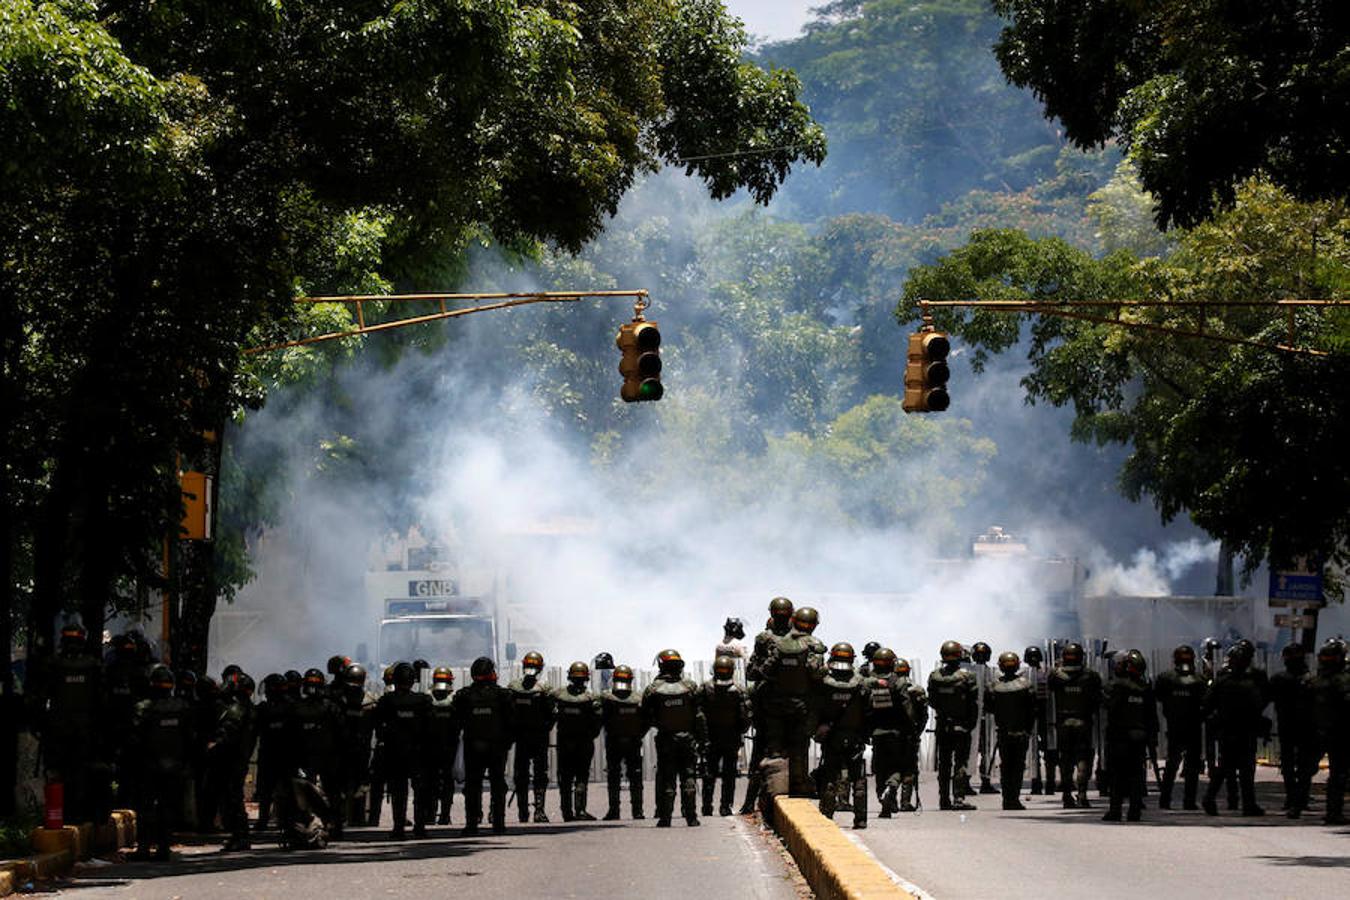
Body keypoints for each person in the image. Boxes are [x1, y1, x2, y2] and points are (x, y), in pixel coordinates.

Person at [37, 623, 104, 823]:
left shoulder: (54, 664)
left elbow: (41, 696)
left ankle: (62, 813)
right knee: (80, 771)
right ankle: (77, 813)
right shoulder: (92, 665)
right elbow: (101, 700)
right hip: (83, 730)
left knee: (59, 772)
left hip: (60, 729)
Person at [760, 606, 826, 797]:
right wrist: (825, 670)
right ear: (813, 625)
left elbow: (766, 670)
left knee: (776, 748)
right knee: (799, 746)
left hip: (776, 705)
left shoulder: (780, 643)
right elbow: (815, 672)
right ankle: (799, 786)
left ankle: (775, 788)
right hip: (802, 705)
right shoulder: (814, 644)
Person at [129, 665, 193, 860]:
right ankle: (164, 847)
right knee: (167, 807)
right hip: (174, 766)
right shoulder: (182, 707)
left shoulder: (144, 708)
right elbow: (189, 738)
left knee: (146, 807)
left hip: (148, 766)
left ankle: (144, 848)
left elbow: (134, 738)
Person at [740, 597, 795, 812]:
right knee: (794, 753)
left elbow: (752, 673)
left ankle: (750, 802)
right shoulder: (801, 639)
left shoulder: (764, 639)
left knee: (761, 756)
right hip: (792, 707)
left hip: (769, 708)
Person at [1202, 643, 1268, 817]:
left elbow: (1207, 705)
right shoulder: (1250, 684)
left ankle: (1212, 798)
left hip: (1230, 731)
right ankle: (1247, 804)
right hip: (1243, 731)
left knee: (1226, 767)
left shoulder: (1223, 681)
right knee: (1245, 769)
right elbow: (1259, 705)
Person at [643, 649, 705, 827]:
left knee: (667, 778)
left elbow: (645, 716)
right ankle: (691, 817)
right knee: (689, 775)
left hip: (666, 739)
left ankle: (665, 817)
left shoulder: (653, 690)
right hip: (688, 739)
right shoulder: (690, 687)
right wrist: (703, 741)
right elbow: (699, 717)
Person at [453, 656, 514, 836]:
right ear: (492, 674)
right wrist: (506, 743)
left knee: (473, 786)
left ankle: (472, 824)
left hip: (474, 747)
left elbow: (456, 722)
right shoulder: (503, 696)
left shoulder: (463, 696)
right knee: (497, 785)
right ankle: (499, 823)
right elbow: (511, 723)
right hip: (496, 747)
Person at [813, 643, 869, 828]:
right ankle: (860, 819)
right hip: (855, 737)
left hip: (832, 737)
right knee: (858, 779)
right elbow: (869, 712)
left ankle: (826, 817)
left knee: (830, 777)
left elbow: (815, 709)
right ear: (851, 659)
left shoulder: (823, 682)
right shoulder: (861, 682)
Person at [865, 648, 926, 816]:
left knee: (879, 767)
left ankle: (881, 794)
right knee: (896, 766)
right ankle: (891, 787)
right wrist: (913, 730)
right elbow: (908, 709)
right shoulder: (898, 682)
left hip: (876, 733)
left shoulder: (868, 682)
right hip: (897, 734)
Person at [375, 661, 432, 839]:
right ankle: (420, 827)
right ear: (413, 680)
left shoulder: (386, 701)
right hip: (418, 753)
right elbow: (431, 728)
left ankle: (398, 828)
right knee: (420, 791)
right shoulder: (423, 700)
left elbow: (378, 726)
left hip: (395, 752)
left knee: (399, 792)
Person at [1101, 650, 1156, 822]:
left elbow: (1111, 706)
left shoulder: (1118, 687)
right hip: (1139, 737)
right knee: (1136, 776)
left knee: (1117, 776)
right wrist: (1152, 738)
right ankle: (1134, 811)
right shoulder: (1145, 688)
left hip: (1120, 737)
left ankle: (1115, 810)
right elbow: (1151, 716)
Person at [290, 668, 344, 837]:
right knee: (315, 791)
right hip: (312, 757)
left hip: (322, 756)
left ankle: (330, 824)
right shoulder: (300, 708)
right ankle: (322, 824)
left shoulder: (329, 707)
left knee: (328, 792)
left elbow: (341, 733)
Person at [1048, 642, 1102, 809]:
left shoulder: (1056, 675)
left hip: (1063, 722)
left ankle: (1066, 795)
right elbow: (1098, 699)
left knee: (1066, 758)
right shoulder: (1091, 676)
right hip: (1083, 721)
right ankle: (1082, 794)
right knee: (1083, 758)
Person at [927, 640, 978, 810]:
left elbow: (932, 701)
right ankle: (959, 798)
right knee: (960, 763)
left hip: (942, 725)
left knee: (944, 763)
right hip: (961, 726)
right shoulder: (967, 676)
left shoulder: (935, 676)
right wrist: (970, 723)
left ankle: (944, 799)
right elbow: (974, 703)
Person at [1153, 644, 1205, 810]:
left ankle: (1165, 799)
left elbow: (1159, 697)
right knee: (1190, 767)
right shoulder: (1199, 680)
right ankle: (1188, 801)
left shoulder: (1166, 678)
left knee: (1173, 765)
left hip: (1176, 727)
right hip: (1192, 727)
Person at [507, 650, 556, 823]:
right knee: (525, 775)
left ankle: (535, 811)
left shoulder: (541, 689)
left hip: (533, 737)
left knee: (536, 775)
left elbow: (551, 715)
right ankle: (528, 812)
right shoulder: (519, 688)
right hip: (528, 737)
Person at [1269, 643, 1316, 817]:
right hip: (1302, 727)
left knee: (1292, 765)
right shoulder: (1309, 681)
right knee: (1302, 766)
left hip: (1292, 727)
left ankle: (1294, 798)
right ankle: (1298, 799)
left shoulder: (1281, 679)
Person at [212, 670, 257, 851]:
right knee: (234, 797)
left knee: (232, 798)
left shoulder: (237, 709)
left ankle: (240, 836)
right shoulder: (250, 708)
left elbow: (228, 732)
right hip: (240, 758)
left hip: (232, 758)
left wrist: (214, 745)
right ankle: (239, 836)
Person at [701, 655, 750, 817]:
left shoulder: (705, 688)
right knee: (729, 775)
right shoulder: (739, 690)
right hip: (731, 736)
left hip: (711, 736)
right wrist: (741, 730)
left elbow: (697, 713)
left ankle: (707, 806)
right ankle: (725, 806)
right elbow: (745, 716)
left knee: (709, 772)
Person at [988, 651, 1036, 810]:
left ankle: (1007, 799)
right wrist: (1028, 729)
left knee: (1006, 766)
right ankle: (1013, 798)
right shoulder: (1026, 685)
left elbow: (989, 707)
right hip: (1020, 732)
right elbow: (1032, 710)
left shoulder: (994, 686)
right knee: (1017, 767)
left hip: (1004, 732)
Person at [555, 661, 602, 822]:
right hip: (584, 743)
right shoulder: (591, 698)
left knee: (565, 778)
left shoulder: (559, 696)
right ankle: (580, 810)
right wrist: (590, 735)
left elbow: (550, 716)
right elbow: (598, 721)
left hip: (564, 742)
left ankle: (567, 812)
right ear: (586, 678)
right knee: (581, 776)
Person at [601, 664, 647, 820]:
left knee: (614, 777)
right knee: (635, 777)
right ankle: (638, 811)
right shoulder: (638, 699)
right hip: (633, 741)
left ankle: (614, 811)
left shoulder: (607, 698)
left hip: (615, 741)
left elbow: (601, 719)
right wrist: (639, 734)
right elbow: (646, 721)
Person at [1310, 639, 1348, 825]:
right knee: (1339, 772)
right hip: (1338, 732)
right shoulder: (1342, 680)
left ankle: (1295, 803)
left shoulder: (1314, 681)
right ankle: (1334, 811)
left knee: (1306, 768)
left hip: (1318, 730)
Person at [336, 663, 377, 828]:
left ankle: (355, 817)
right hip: (348, 747)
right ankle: (347, 817)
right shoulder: (368, 701)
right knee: (345, 783)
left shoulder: (367, 701)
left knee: (359, 783)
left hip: (358, 747)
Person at [253, 673, 291, 830]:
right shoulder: (291, 707)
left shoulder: (264, 709)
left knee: (266, 790)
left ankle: (264, 820)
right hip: (283, 755)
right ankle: (284, 820)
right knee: (277, 790)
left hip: (272, 754)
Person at [426, 666, 459, 825]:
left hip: (431, 746)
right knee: (446, 780)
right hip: (449, 747)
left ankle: (431, 814)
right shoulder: (455, 700)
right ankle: (444, 814)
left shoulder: (427, 698)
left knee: (431, 780)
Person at [969, 641, 998, 795]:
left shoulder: (992, 673)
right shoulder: (968, 672)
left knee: (986, 751)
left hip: (986, 716)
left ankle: (985, 781)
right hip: (973, 716)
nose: (980, 657)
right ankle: (966, 781)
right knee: (970, 750)